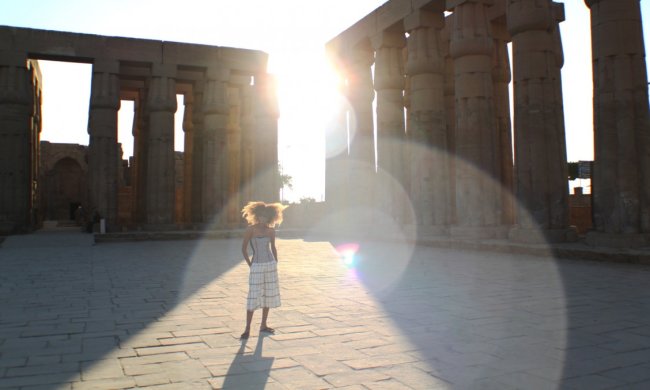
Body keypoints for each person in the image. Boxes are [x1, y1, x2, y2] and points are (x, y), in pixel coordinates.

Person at [240, 201, 287, 339]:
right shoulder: (251, 230)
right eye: (261, 215)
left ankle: (263, 325)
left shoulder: (271, 231)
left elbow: (273, 247)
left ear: (270, 217)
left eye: (266, 216)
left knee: (268, 294)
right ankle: (247, 328)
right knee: (253, 295)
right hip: (256, 265)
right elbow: (243, 249)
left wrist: (275, 263)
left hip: (270, 265)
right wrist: (250, 264)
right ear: (256, 215)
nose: (263, 218)